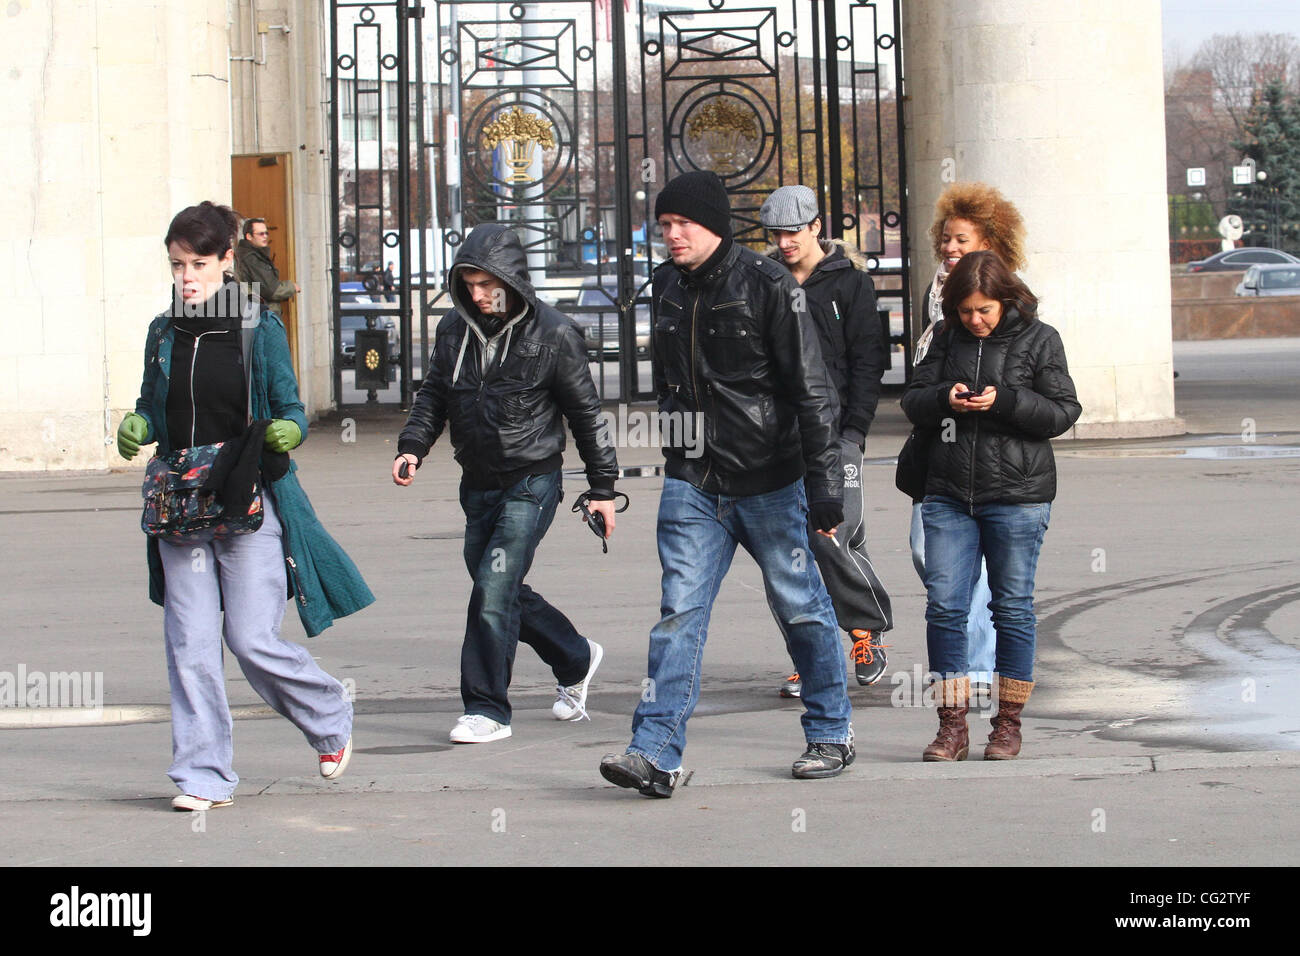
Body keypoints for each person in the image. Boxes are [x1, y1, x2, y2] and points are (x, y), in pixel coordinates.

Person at [599, 170, 853, 798]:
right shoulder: (663, 287)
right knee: (677, 614)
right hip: (692, 480)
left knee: (800, 608)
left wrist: (826, 488)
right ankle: (654, 752)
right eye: (664, 226)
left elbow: (813, 391)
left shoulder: (767, 285)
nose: (672, 235)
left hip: (770, 478)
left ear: (714, 225)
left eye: (683, 224)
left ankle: (830, 730)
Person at [117, 201, 371, 812]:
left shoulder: (258, 327)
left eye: (198, 264)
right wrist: (138, 423)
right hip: (181, 505)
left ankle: (329, 712)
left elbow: (288, 407)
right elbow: (153, 404)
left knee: (252, 639)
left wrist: (290, 430)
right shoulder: (163, 331)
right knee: (190, 642)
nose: (187, 278)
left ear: (228, 259)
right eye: (177, 265)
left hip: (246, 499)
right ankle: (203, 774)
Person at [393, 223, 617, 744]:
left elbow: (587, 415)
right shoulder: (454, 329)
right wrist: (412, 446)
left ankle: (487, 709)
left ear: (512, 279)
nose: (477, 295)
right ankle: (576, 657)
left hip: (532, 480)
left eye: (486, 284)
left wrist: (603, 490)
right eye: (467, 284)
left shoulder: (555, 333)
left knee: (493, 589)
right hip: (478, 482)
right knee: (497, 583)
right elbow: (434, 394)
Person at [901, 250, 1080, 761]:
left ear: (1006, 300)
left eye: (985, 310)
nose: (975, 320)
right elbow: (912, 401)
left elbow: (1063, 411)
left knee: (1014, 610)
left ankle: (1007, 724)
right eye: (966, 312)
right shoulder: (943, 337)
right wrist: (944, 400)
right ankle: (951, 726)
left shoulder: (1040, 339)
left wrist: (1002, 401)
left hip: (1017, 495)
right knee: (945, 609)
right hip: (948, 493)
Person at [760, 185, 893, 698]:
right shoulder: (764, 280)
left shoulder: (851, 284)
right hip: (777, 436)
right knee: (786, 551)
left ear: (816, 226)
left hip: (836, 432)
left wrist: (855, 430)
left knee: (834, 533)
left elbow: (868, 359)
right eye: (776, 233)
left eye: (793, 231)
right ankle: (811, 656)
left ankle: (866, 629)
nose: (785, 241)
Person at [911, 182, 1028, 706]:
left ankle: (979, 670)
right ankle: (968, 664)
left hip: (999, 462)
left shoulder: (1013, 300)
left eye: (961, 239)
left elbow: (1053, 398)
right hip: (939, 446)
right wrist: (940, 397)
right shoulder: (935, 295)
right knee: (928, 554)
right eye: (945, 239)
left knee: (994, 582)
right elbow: (917, 381)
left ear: (989, 239)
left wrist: (1001, 401)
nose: (950, 248)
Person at [234, 217, 299, 313]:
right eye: (261, 234)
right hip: (261, 315)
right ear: (249, 236)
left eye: (266, 233)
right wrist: (292, 287)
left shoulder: (251, 254)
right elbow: (272, 290)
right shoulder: (251, 258)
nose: (265, 236)